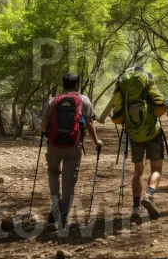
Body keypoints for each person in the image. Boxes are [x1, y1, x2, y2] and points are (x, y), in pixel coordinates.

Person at [111, 67, 168, 219]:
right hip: (153, 131)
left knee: (138, 171)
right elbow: (160, 104)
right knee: (157, 169)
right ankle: (150, 194)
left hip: (134, 133)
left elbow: (117, 114)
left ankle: (135, 208)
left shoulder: (122, 86)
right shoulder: (147, 80)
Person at [40, 74, 103, 225]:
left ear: (63, 85)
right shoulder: (83, 100)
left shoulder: (52, 100)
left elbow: (43, 125)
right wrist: (96, 141)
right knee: (68, 182)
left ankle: (56, 207)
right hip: (73, 146)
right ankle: (62, 217)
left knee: (53, 173)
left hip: (54, 145)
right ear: (77, 85)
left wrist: (48, 140)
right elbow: (89, 123)